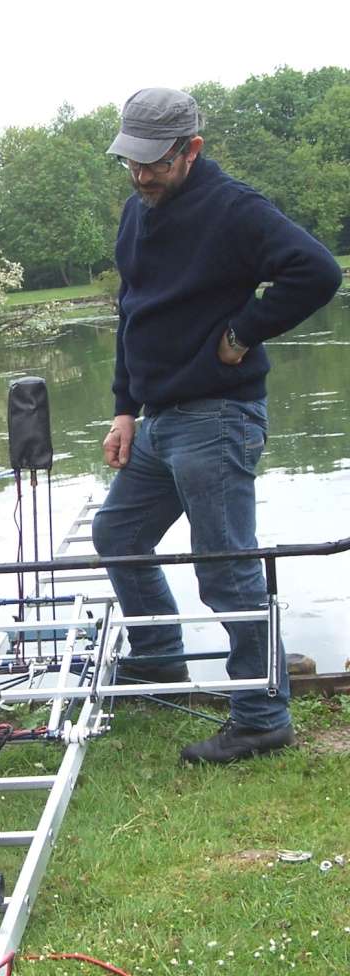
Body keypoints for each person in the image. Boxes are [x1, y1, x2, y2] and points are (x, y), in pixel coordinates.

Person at [91, 87, 343, 765]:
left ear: (191, 149)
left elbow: (316, 271)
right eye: (131, 161)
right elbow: (133, 314)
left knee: (225, 568)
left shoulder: (237, 209)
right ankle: (158, 657)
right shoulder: (135, 213)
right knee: (117, 533)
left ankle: (261, 714)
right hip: (160, 419)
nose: (142, 174)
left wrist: (243, 332)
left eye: (156, 163)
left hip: (219, 414)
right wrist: (125, 408)